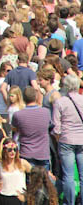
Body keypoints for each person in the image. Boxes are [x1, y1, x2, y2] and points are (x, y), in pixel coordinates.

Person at [51, 74, 83, 205]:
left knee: (68, 175)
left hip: (66, 139)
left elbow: (56, 126)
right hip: (81, 139)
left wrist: (58, 138)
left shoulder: (60, 102)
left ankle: (69, 202)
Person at [10, 86, 51, 169]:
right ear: (36, 97)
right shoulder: (46, 112)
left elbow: (14, 128)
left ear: (23, 98)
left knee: (29, 181)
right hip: (43, 153)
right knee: (44, 180)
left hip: (26, 153)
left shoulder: (18, 115)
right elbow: (50, 126)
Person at [0, 137, 30, 205]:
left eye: (15, 150)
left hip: (18, 198)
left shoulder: (22, 163)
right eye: (9, 150)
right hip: (4, 197)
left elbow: (36, 173)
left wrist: (26, 194)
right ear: (5, 150)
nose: (12, 152)